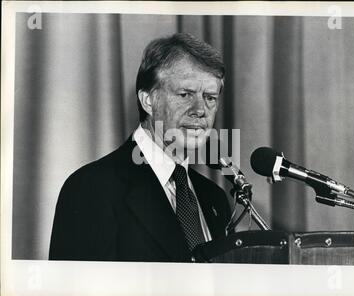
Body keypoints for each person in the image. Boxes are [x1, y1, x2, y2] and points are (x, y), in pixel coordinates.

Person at [49, 33, 231, 262]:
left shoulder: (216, 199)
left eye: (210, 98)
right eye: (185, 94)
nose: (200, 110)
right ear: (148, 101)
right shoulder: (93, 187)